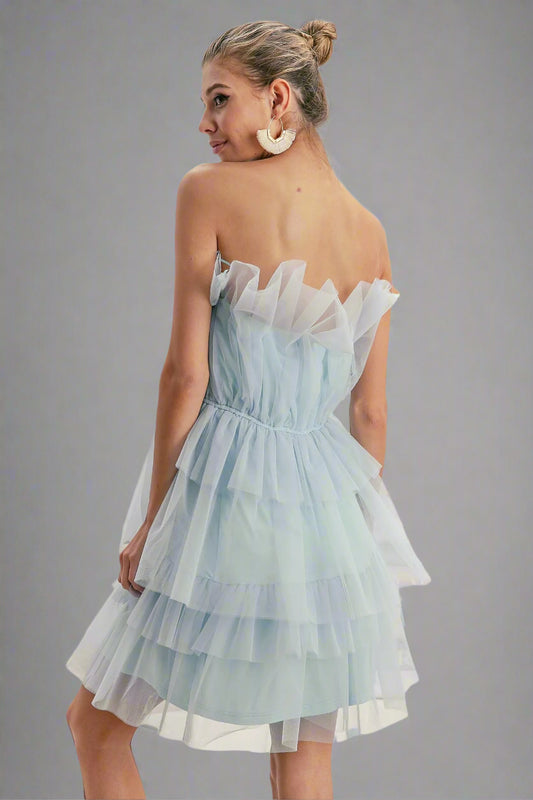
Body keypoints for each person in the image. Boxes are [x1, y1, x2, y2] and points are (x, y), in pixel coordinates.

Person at [65, 18, 431, 800]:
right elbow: (370, 416)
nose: (204, 124)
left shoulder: (208, 191)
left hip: (219, 494)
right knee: (302, 752)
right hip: (325, 511)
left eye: (218, 100)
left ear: (278, 97)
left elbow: (183, 377)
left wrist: (155, 523)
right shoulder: (371, 234)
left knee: (96, 725)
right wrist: (346, 543)